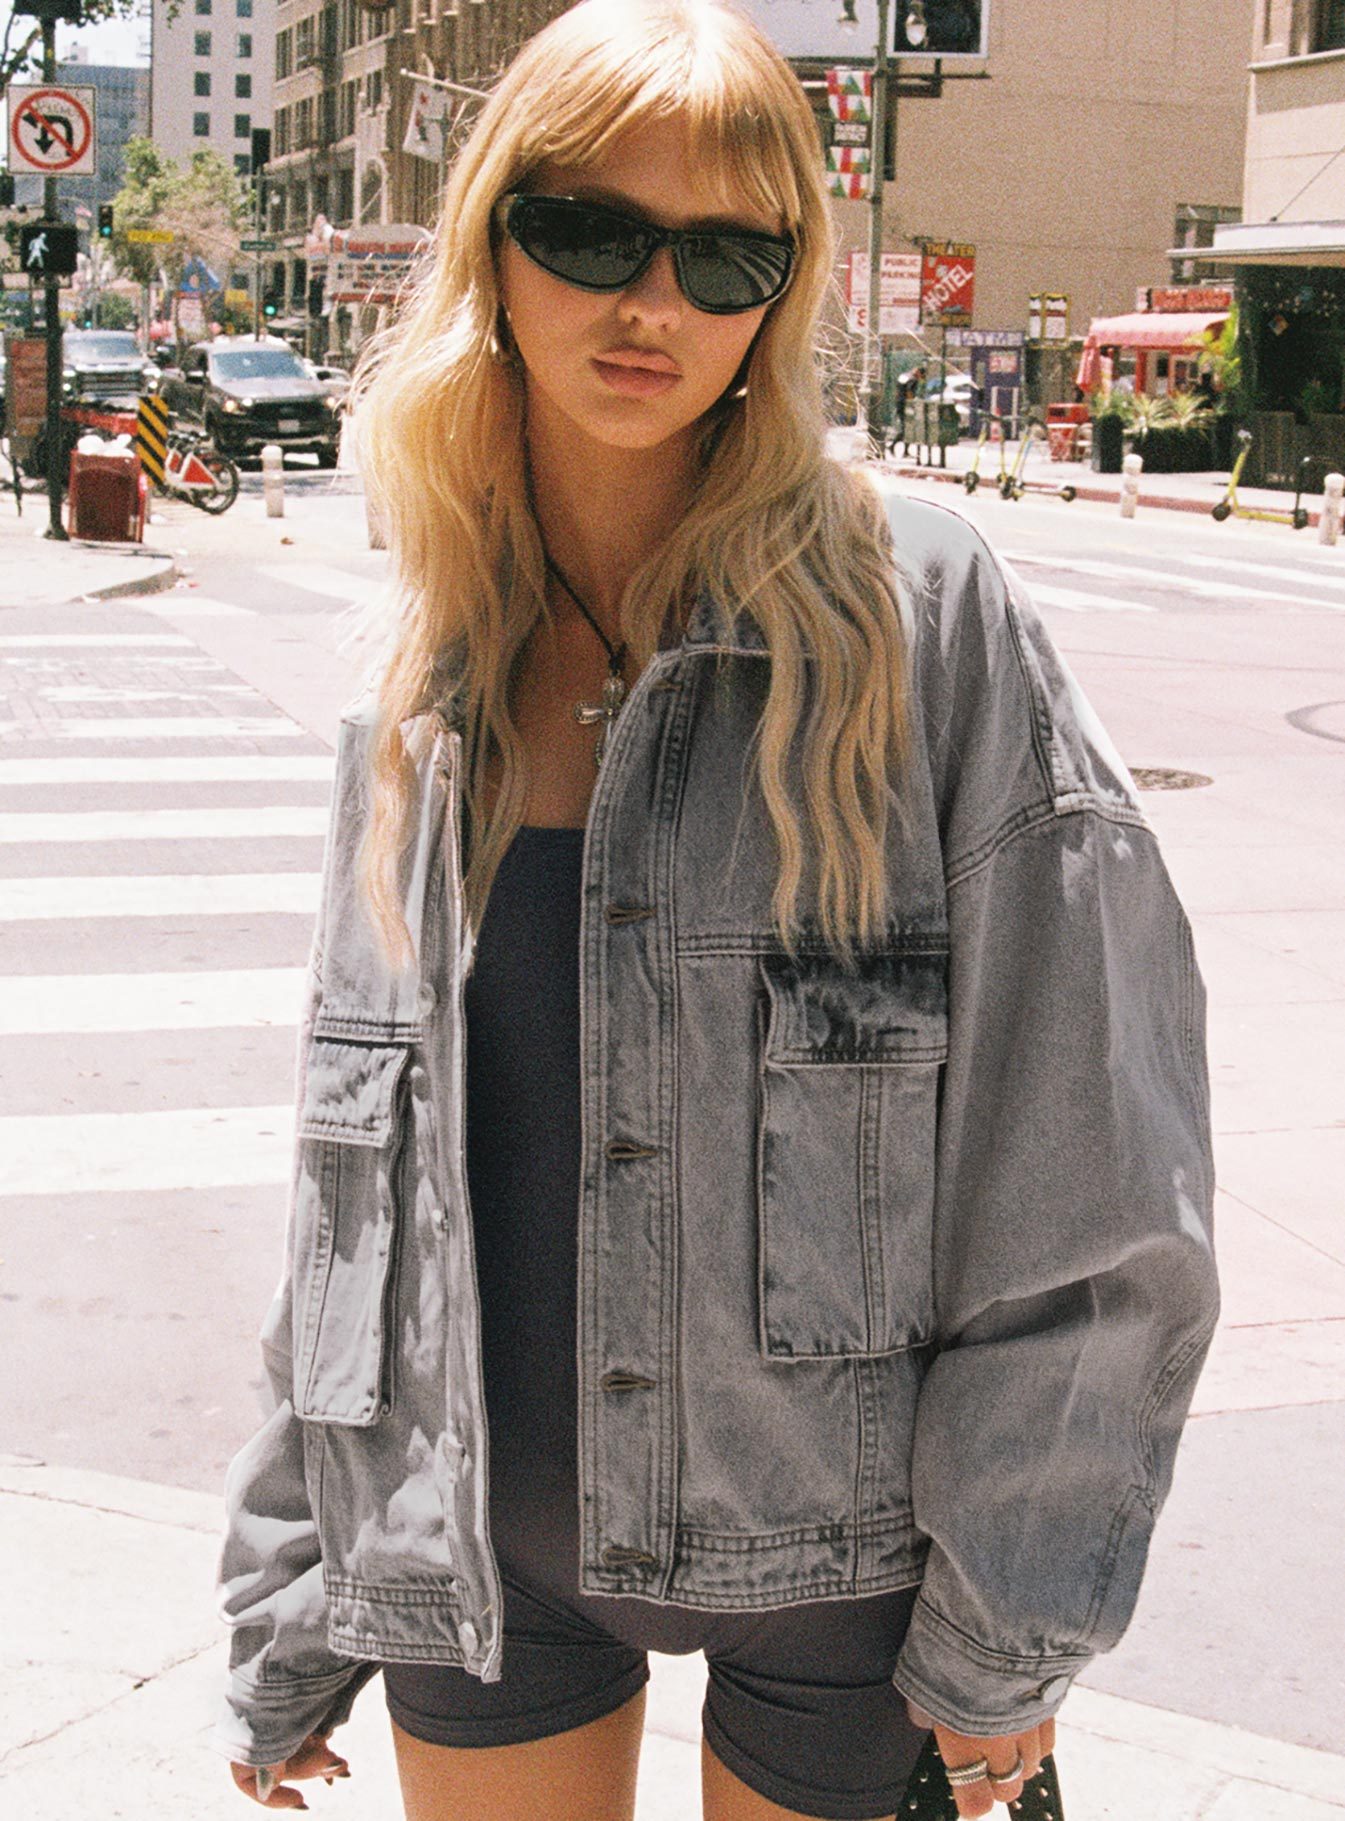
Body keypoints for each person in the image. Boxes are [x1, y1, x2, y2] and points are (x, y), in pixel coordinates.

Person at [211, 5, 1219, 1819]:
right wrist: (299, 1576)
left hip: (837, 1564)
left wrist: (1011, 1615)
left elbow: (1087, 1165)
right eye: (589, 232)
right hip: (474, 1555)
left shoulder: (917, 619)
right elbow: (355, 1171)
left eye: (724, 257)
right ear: (490, 243)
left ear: (781, 290)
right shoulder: (428, 661)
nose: (650, 304)